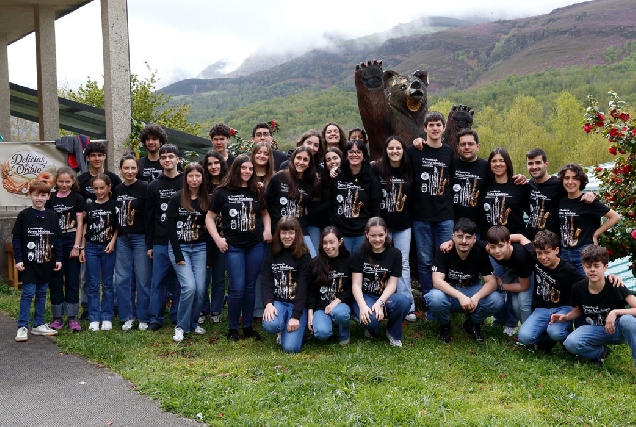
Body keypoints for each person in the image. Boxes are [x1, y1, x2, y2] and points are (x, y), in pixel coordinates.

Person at [207, 154, 272, 341]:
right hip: (233, 246)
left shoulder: (257, 190)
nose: (247, 171)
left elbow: (265, 213)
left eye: (250, 169)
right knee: (237, 287)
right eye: (243, 168)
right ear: (236, 169)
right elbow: (210, 218)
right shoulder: (222, 192)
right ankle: (233, 328)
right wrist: (218, 239)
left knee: (250, 287)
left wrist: (267, 229)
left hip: (255, 245)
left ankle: (248, 326)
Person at [551, 245, 636, 366]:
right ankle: (600, 352)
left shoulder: (615, 284)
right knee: (570, 343)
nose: (592, 270)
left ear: (605, 267)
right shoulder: (578, 288)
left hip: (616, 330)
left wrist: (615, 312)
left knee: (627, 320)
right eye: (588, 266)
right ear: (583, 267)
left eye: (596, 266)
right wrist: (565, 317)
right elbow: (578, 310)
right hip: (594, 330)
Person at [425, 218, 504, 343]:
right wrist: (460, 296)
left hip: (471, 291)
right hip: (449, 293)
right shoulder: (444, 250)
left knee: (497, 299)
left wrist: (476, 298)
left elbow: (492, 282)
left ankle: (472, 323)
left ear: (474, 239)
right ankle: (444, 325)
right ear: (453, 237)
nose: (463, 241)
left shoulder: (480, 252)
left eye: (468, 237)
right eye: (460, 236)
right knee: (434, 298)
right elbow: (437, 281)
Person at [408, 112, 455, 306]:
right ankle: (430, 302)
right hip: (421, 216)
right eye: (431, 125)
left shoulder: (449, 152)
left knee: (445, 259)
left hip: (445, 216)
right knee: (425, 261)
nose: (435, 128)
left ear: (444, 128)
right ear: (425, 128)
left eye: (438, 124)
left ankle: (445, 301)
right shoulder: (414, 150)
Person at [513, 230, 586, 351]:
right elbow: (521, 237)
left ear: (556, 250)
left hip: (563, 308)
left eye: (547, 252)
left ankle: (569, 342)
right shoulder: (536, 258)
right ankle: (546, 342)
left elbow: (588, 285)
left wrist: (611, 278)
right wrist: (493, 243)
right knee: (524, 337)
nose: (543, 257)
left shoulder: (568, 270)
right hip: (542, 308)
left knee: (556, 332)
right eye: (539, 253)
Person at [372, 136, 416, 321]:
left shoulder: (409, 168)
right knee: (381, 263)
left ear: (403, 150)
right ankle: (381, 304)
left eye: (398, 148)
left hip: (403, 225)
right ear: (385, 150)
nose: (395, 151)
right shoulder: (377, 169)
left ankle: (408, 305)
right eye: (391, 148)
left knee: (403, 263)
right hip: (383, 226)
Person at [13, 180, 62, 341]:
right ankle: (22, 326)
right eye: (35, 195)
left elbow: (58, 239)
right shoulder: (24, 215)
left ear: (48, 196)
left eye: (42, 195)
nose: (39, 198)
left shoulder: (52, 216)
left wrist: (58, 258)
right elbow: (17, 239)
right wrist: (18, 259)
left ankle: (39, 324)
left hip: (46, 262)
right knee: (28, 293)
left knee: (41, 293)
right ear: (30, 195)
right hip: (29, 263)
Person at [351, 217, 410, 347]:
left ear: (386, 233)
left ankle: (393, 331)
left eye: (380, 235)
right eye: (373, 235)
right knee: (371, 320)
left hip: (386, 296)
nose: (377, 239)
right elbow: (356, 284)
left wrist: (380, 302)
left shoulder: (395, 254)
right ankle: (371, 328)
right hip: (366, 296)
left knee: (404, 302)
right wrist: (362, 305)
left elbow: (392, 284)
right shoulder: (359, 254)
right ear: (367, 234)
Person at [168, 163, 209, 343]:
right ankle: (180, 326)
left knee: (200, 289)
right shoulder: (176, 198)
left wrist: (210, 257)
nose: (194, 179)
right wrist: (178, 254)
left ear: (202, 178)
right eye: (190, 176)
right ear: (185, 178)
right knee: (189, 287)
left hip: (200, 248)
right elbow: (170, 228)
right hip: (180, 248)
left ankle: (193, 323)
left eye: (197, 176)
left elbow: (209, 228)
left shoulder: (207, 199)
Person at [557, 163, 620, 275]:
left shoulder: (588, 201)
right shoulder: (561, 200)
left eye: (575, 178)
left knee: (587, 284)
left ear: (581, 181)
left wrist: (596, 234)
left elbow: (615, 217)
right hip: (564, 253)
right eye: (566, 178)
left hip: (584, 252)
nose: (570, 182)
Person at [146, 144, 183, 331]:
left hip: (182, 240)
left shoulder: (185, 181)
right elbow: (149, 217)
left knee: (179, 281)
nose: (167, 160)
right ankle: (156, 319)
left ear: (177, 159)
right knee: (158, 281)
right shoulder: (154, 185)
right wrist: (149, 244)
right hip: (160, 241)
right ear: (159, 161)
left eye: (171, 156)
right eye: (164, 157)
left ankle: (177, 316)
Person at [261, 216, 311, 353]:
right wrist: (268, 304)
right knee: (270, 325)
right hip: (279, 302)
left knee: (290, 348)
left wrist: (295, 316)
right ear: (279, 234)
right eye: (284, 233)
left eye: (291, 233)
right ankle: (281, 327)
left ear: (297, 234)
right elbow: (266, 280)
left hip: (297, 304)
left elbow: (303, 287)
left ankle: (299, 329)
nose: (287, 236)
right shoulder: (272, 251)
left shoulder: (304, 254)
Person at [525, 148, 596, 241]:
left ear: (546, 164)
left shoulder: (559, 184)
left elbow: (576, 194)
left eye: (538, 163)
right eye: (530, 163)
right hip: (530, 239)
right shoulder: (530, 184)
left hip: (552, 243)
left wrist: (591, 193)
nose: (534, 167)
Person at [113, 153, 150, 331]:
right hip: (122, 238)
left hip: (140, 237)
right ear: (120, 169)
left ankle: (143, 317)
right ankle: (127, 316)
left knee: (143, 279)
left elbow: (150, 215)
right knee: (122, 279)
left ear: (138, 169)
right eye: (126, 168)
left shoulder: (145, 187)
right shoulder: (117, 190)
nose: (129, 171)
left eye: (133, 168)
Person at [46, 167, 85, 332]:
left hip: (71, 241)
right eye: (61, 181)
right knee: (55, 281)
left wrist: (77, 246)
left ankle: (72, 317)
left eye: (67, 181)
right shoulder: (50, 198)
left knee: (72, 281)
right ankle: (57, 318)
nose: (64, 184)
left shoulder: (77, 198)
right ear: (56, 181)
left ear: (73, 181)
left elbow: (80, 224)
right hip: (55, 243)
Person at [79, 174, 119, 332]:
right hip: (91, 247)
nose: (99, 191)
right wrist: (82, 248)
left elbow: (117, 227)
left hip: (107, 247)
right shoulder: (89, 207)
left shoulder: (114, 205)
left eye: (102, 188)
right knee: (93, 284)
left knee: (108, 283)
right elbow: (85, 228)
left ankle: (107, 316)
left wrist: (112, 242)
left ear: (109, 187)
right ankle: (94, 317)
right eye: (95, 188)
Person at [329, 139, 381, 254]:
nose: (354, 155)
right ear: (346, 155)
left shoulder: (371, 179)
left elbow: (375, 209)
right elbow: (331, 203)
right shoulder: (337, 175)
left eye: (358, 152)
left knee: (359, 264)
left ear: (364, 155)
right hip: (341, 233)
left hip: (362, 233)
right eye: (351, 152)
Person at [265, 146, 318, 257]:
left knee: (312, 259)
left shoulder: (310, 182)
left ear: (309, 164)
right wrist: (268, 229)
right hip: (279, 231)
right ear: (293, 159)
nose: (301, 162)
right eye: (298, 158)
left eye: (305, 160)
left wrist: (308, 210)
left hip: (300, 230)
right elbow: (264, 204)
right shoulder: (279, 178)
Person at [484, 225, 534, 335]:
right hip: (514, 272)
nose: (497, 251)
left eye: (501, 246)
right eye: (493, 247)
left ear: (508, 243)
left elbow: (524, 286)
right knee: (515, 305)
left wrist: (501, 285)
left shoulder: (520, 256)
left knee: (524, 302)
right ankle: (524, 331)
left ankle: (529, 335)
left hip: (528, 272)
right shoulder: (489, 249)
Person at [307, 226, 352, 345]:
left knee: (340, 314)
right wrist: (310, 313)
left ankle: (343, 331)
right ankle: (329, 325)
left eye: (332, 242)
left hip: (341, 304)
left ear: (340, 242)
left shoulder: (349, 261)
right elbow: (311, 290)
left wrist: (336, 301)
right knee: (321, 333)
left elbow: (351, 288)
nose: (328, 246)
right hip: (321, 306)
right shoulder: (314, 263)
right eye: (325, 243)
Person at [199, 150, 229, 323]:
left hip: (223, 236)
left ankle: (216, 309)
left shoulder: (228, 184)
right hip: (203, 236)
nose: (213, 166)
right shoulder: (202, 185)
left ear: (221, 164)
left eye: (216, 163)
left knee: (219, 275)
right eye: (209, 164)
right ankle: (202, 309)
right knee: (204, 276)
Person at [481, 147, 530, 236]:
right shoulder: (484, 185)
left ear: (507, 163)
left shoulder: (519, 185)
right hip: (489, 240)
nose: (498, 164)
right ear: (490, 164)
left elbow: (531, 213)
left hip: (514, 239)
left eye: (502, 160)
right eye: (494, 161)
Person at [307, 147, 342, 255]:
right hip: (325, 222)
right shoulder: (323, 178)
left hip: (345, 223)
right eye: (328, 160)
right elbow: (325, 202)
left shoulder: (348, 176)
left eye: (335, 158)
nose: (332, 162)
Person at [450, 129, 488, 225]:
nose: (467, 147)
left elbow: (502, 179)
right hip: (452, 224)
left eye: (470, 144)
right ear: (457, 147)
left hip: (477, 225)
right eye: (463, 144)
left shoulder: (487, 167)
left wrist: (519, 178)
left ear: (478, 146)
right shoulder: (450, 163)